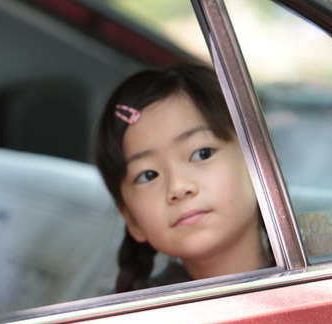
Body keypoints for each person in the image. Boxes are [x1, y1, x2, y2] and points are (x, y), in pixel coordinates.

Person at [94, 63, 271, 292]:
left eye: (202, 154)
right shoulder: (129, 321)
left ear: (259, 161)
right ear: (131, 219)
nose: (178, 187)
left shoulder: (324, 282)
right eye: (148, 175)